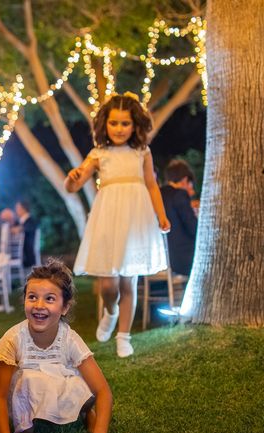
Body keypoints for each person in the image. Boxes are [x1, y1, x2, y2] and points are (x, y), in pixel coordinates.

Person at [64, 92, 170, 357]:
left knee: (129, 282)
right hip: (109, 217)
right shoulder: (99, 153)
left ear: (134, 125)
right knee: (109, 285)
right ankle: (110, 312)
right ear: (104, 125)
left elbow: (151, 185)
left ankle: (124, 335)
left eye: (125, 123)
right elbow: (75, 184)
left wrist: (161, 214)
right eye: (114, 123)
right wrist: (72, 178)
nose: (120, 129)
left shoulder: (141, 152)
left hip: (136, 217)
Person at [0, 259, 113, 433]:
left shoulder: (69, 338)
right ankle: (25, 427)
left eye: (50, 299)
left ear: (64, 307)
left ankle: (86, 412)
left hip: (59, 375)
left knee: (86, 384)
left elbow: (103, 391)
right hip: (23, 382)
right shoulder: (13, 339)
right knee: (29, 380)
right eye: (32, 297)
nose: (39, 306)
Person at [160, 159, 198, 276]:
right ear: (185, 180)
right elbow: (193, 228)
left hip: (162, 258)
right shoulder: (179, 194)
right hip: (182, 259)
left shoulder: (159, 194)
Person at [14, 200, 38, 269]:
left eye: (18, 208)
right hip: (23, 251)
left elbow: (28, 228)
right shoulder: (20, 221)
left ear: (23, 209)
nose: (16, 210)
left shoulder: (30, 220)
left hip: (27, 252)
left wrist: (19, 229)